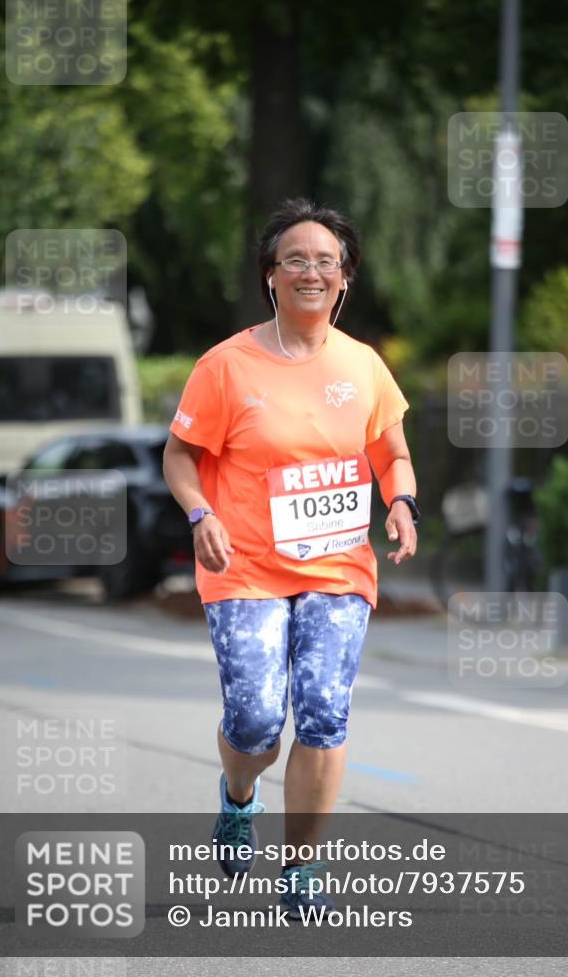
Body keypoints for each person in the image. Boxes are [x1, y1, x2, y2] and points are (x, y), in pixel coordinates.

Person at [163, 197, 419, 915]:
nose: (311, 270)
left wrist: (400, 502)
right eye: (295, 259)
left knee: (323, 714)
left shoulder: (363, 367)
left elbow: (391, 454)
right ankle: (237, 795)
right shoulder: (226, 365)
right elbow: (179, 455)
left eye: (325, 261)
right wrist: (199, 510)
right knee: (252, 718)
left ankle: (301, 863)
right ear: (270, 276)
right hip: (242, 567)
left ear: (344, 280)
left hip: (337, 568)